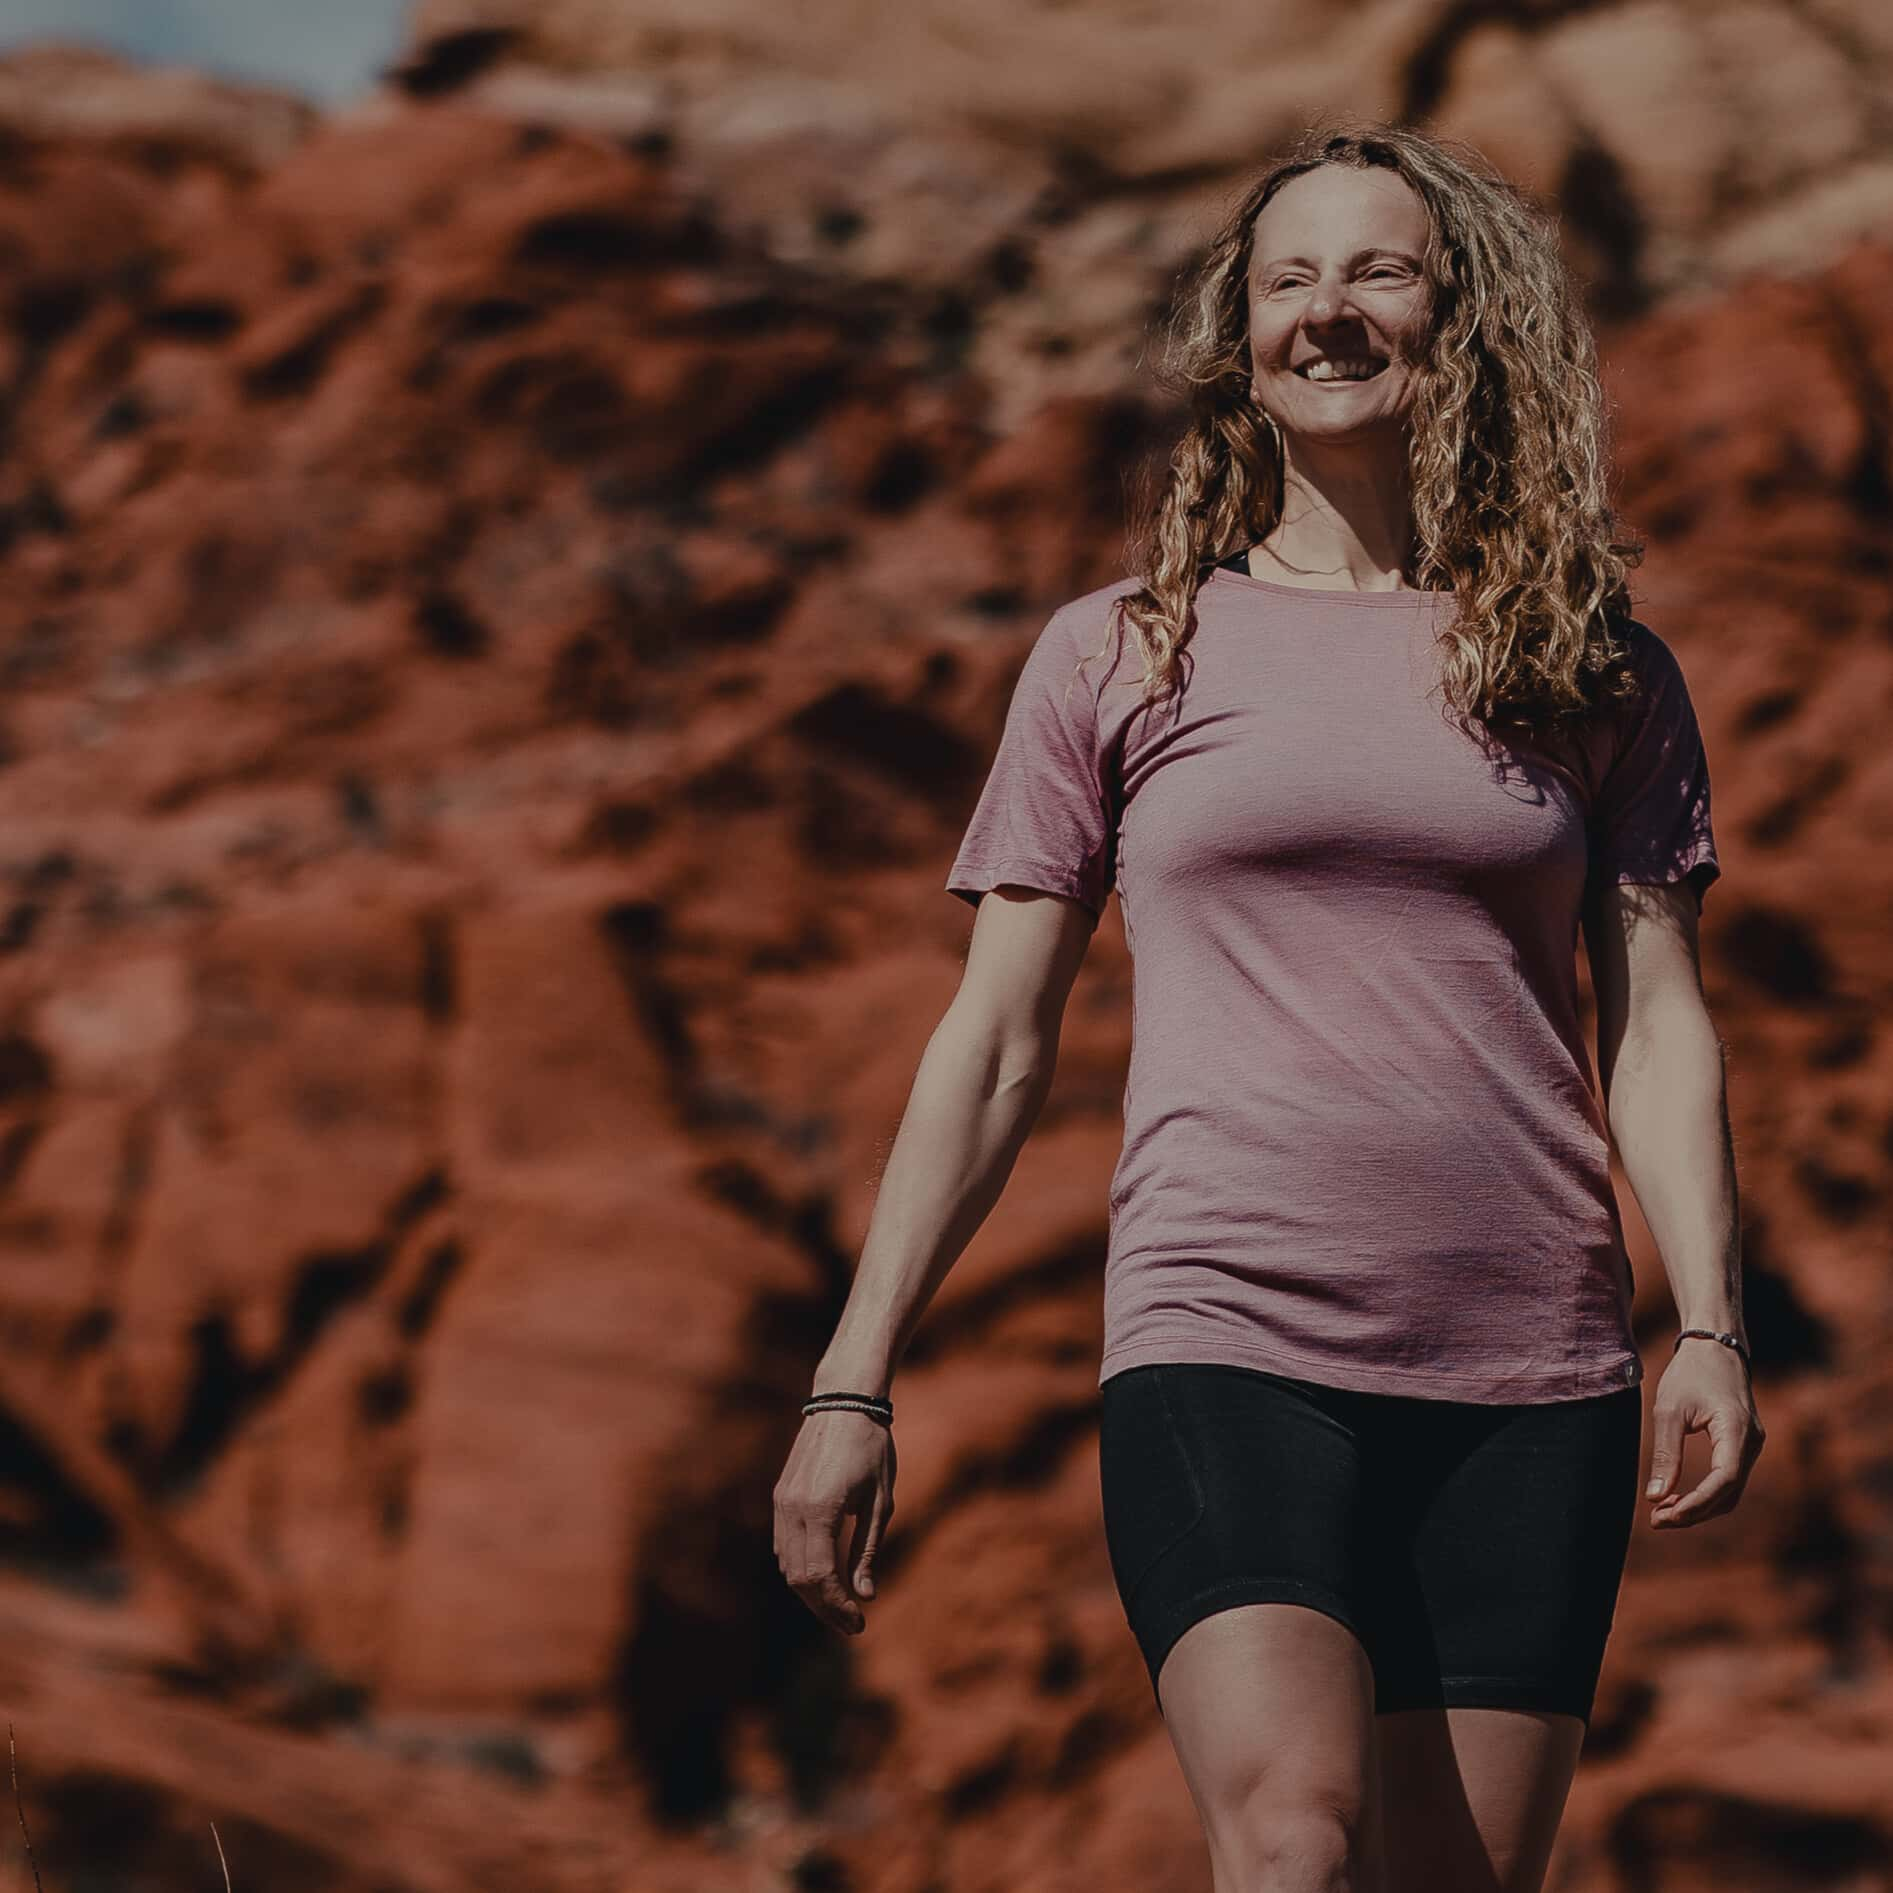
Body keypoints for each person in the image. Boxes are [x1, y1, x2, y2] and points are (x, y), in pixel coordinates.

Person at [773, 116, 1765, 1893]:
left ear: (1463, 315)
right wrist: (855, 1380)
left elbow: (1661, 1020)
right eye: (1286, 278)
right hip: (1227, 1328)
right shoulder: (1125, 649)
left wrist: (1710, 1323)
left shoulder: (1590, 666)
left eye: (1378, 270)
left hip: (1530, 1361)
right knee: (1294, 1845)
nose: (1327, 312)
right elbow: (995, 1043)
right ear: (1242, 336)